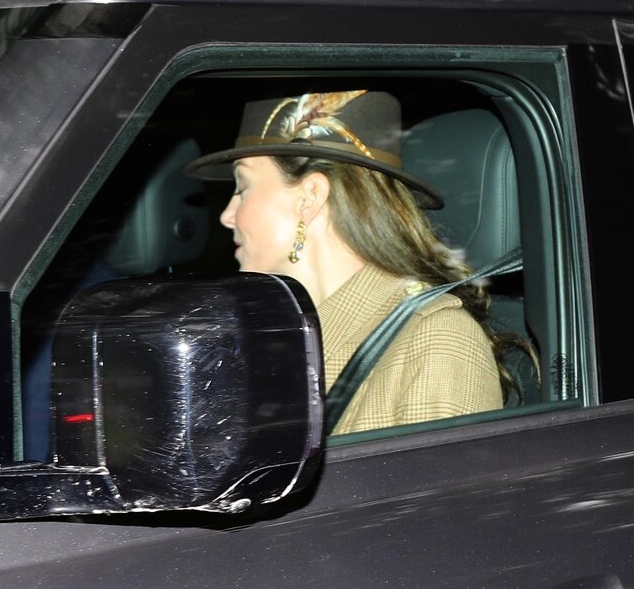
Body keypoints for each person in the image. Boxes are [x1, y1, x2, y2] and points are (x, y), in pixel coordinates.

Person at [186, 90, 526, 434]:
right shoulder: (267, 335)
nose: (227, 215)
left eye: (242, 188)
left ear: (309, 198)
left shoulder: (435, 342)